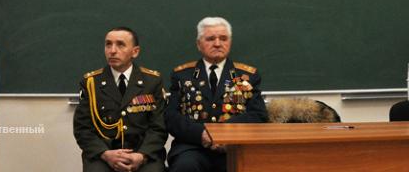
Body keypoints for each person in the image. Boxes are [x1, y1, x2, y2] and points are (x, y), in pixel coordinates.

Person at [165, 16, 267, 172]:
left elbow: (258, 115)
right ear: (199, 44)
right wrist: (201, 135)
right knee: (184, 166)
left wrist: (225, 134)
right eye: (210, 39)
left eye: (223, 38)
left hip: (234, 146)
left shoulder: (248, 75)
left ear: (230, 42)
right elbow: (171, 117)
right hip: (193, 147)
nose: (218, 43)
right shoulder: (182, 75)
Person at [73, 27, 167, 172]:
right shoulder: (91, 82)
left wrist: (141, 155)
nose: (112, 50)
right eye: (108, 44)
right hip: (103, 154)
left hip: (143, 153)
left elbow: (158, 127)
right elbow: (82, 129)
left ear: (135, 51)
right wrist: (105, 154)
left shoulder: (152, 81)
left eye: (120, 44)